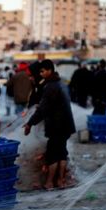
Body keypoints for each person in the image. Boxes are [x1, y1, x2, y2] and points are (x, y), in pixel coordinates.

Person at [24, 60, 76, 190]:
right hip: (66, 125)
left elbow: (43, 109)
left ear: (49, 71)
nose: (41, 74)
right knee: (62, 153)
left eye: (42, 71)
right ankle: (61, 180)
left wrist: (30, 123)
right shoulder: (60, 83)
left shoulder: (50, 86)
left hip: (56, 126)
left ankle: (49, 182)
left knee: (53, 155)